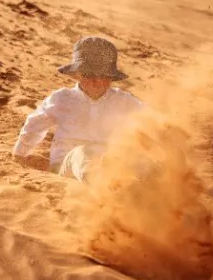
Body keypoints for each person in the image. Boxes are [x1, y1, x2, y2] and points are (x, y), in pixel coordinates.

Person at [11, 36, 145, 183]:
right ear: (77, 75)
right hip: (68, 165)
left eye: (103, 75)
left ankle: (151, 188)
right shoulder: (62, 98)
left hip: (109, 160)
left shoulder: (123, 101)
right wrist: (19, 154)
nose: (97, 81)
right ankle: (98, 182)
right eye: (90, 75)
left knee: (139, 162)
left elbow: (151, 120)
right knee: (80, 154)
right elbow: (34, 125)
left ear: (111, 77)